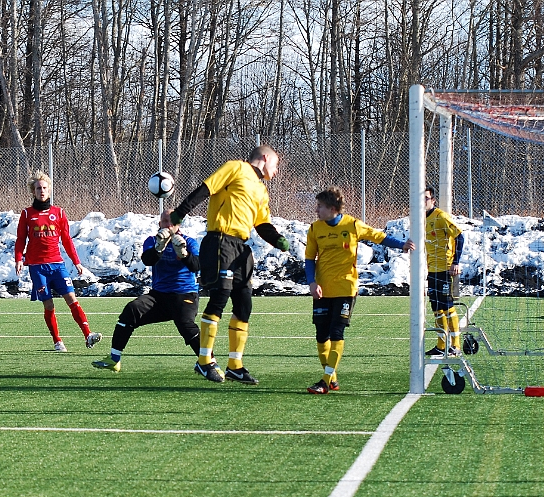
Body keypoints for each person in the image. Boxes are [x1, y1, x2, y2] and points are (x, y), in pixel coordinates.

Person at [169, 145, 290, 384]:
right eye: (276, 165)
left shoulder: (261, 191)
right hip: (220, 241)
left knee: (244, 305)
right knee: (220, 297)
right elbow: (206, 188)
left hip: (241, 248)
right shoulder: (236, 167)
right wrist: (181, 212)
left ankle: (235, 365)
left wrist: (277, 239)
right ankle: (204, 361)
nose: (276, 171)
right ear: (265, 159)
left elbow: (262, 224)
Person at [304, 187, 414, 394]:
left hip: (346, 288)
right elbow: (309, 259)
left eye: (320, 206)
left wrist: (402, 245)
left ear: (333, 208)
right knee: (321, 335)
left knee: (337, 332)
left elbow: (378, 236)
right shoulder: (315, 229)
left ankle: (325, 380)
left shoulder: (352, 225)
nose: (316, 210)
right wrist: (312, 282)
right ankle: (332, 377)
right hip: (322, 289)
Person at [92, 209, 202, 372]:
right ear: (160, 224)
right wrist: (159, 248)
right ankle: (114, 359)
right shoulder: (152, 241)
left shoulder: (190, 242)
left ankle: (207, 362)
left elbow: (197, 266)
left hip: (184, 294)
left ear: (178, 225)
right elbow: (148, 260)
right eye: (165, 221)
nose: (169, 225)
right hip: (159, 296)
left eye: (172, 222)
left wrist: (184, 255)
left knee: (185, 324)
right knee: (132, 310)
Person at [14, 170, 102, 352]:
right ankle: (57, 341)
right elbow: (21, 239)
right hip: (38, 267)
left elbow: (67, 239)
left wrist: (76, 262)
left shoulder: (59, 212)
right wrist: (19, 259)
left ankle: (88, 335)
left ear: (49, 190)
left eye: (45, 187)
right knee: (49, 304)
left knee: (71, 298)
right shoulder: (26, 214)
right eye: (38, 188)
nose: (42, 191)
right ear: (33, 191)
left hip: (57, 264)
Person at [424, 185, 464, 356]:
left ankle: (456, 345)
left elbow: (459, 237)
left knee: (447, 307)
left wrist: (455, 262)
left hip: (446, 270)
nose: (422, 202)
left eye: (426, 198)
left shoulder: (440, 217)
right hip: (432, 270)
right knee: (436, 308)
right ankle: (441, 345)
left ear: (433, 200)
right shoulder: (419, 219)